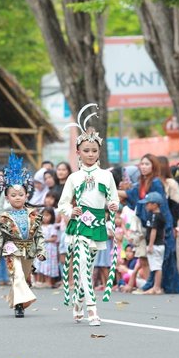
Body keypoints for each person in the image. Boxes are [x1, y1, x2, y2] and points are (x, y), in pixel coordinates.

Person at [58, 112, 119, 326]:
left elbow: (114, 199)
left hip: (99, 224)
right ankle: (92, 309)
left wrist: (113, 206)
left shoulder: (107, 176)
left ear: (99, 152)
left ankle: (78, 299)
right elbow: (63, 203)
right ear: (78, 152)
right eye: (86, 150)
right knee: (82, 262)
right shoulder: (74, 178)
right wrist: (70, 211)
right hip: (80, 225)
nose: (90, 154)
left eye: (94, 150)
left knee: (88, 267)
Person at [0, 152, 46, 318]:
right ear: (7, 197)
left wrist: (41, 251)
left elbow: (39, 235)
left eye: (20, 195)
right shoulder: (3, 218)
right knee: (17, 275)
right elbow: (0, 240)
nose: (17, 198)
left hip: (28, 250)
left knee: (24, 278)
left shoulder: (34, 215)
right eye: (13, 195)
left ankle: (17, 300)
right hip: (11, 249)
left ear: (26, 195)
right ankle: (19, 307)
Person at [118, 154, 179, 294]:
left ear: (153, 166)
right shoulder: (142, 182)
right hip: (146, 224)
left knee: (161, 258)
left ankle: (156, 286)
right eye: (142, 164)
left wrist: (168, 226)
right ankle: (153, 285)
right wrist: (109, 191)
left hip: (159, 224)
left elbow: (162, 205)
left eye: (147, 164)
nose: (144, 167)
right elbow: (130, 194)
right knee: (150, 257)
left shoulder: (156, 182)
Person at [138, 192, 166, 295]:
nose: (146, 206)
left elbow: (154, 230)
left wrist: (150, 245)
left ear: (155, 204)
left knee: (157, 266)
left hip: (155, 245)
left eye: (148, 203)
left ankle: (157, 287)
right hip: (158, 244)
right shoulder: (160, 216)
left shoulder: (155, 216)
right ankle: (155, 286)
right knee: (155, 266)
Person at [34, 207, 59, 288]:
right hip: (40, 248)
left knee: (48, 265)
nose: (45, 217)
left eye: (47, 215)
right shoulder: (39, 226)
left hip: (49, 249)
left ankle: (48, 282)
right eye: (43, 215)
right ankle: (39, 281)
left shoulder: (52, 227)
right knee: (39, 264)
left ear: (52, 216)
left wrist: (45, 240)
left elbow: (54, 238)